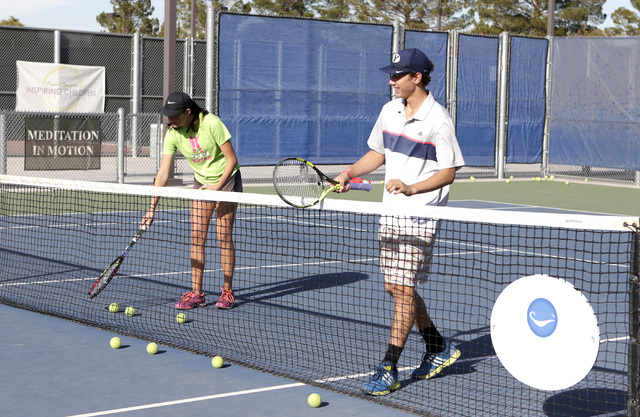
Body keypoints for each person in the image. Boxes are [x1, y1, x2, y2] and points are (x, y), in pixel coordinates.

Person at [334, 48, 465, 396]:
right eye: (391, 75)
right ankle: (437, 346)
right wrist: (349, 172)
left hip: (421, 214)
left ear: (416, 78)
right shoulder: (389, 111)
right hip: (391, 212)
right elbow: (378, 153)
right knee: (395, 287)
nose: (391, 81)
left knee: (402, 289)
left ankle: (388, 367)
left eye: (397, 75)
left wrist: (412, 188)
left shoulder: (439, 120)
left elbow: (449, 172)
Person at [142, 92, 241, 310]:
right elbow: (163, 173)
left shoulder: (211, 123)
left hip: (226, 180)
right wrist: (151, 208)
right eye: (168, 115)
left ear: (188, 112)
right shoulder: (173, 133)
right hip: (202, 183)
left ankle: (227, 291)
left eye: (174, 115)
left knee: (223, 236)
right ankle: (197, 293)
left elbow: (232, 160)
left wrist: (217, 187)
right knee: (197, 236)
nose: (170, 120)